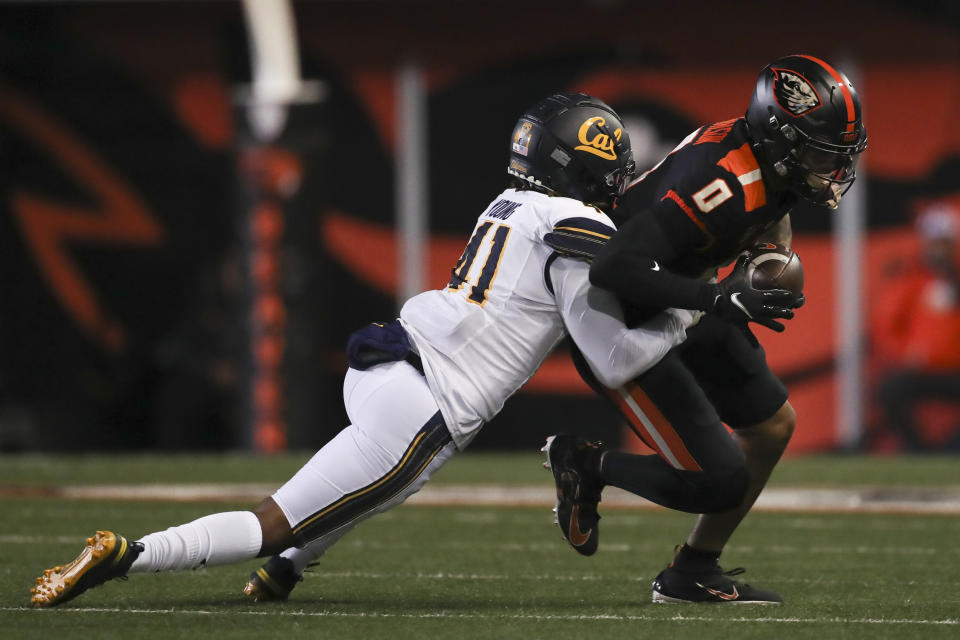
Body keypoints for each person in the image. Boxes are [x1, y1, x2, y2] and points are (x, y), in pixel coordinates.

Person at [30, 93, 699, 607]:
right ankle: (127, 554)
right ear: (587, 167)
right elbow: (614, 355)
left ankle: (285, 570)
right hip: (427, 403)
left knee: (352, 492)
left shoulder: (511, 203)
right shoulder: (571, 222)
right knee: (279, 518)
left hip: (388, 363)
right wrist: (696, 309)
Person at [543, 55, 867, 603]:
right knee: (717, 482)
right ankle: (585, 463)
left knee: (770, 425)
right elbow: (614, 268)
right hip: (618, 317)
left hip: (681, 297)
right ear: (779, 135)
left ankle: (692, 570)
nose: (827, 168)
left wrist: (768, 250)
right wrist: (718, 296)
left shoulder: (767, 160)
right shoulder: (717, 182)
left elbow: (773, 205)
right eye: (816, 152)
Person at [870, 204, 960, 451]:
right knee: (889, 390)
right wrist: (903, 354)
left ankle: (951, 450)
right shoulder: (909, 279)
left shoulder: (956, 279)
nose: (940, 249)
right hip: (918, 368)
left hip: (955, 369)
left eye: (945, 242)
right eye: (935, 242)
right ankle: (916, 449)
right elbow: (887, 326)